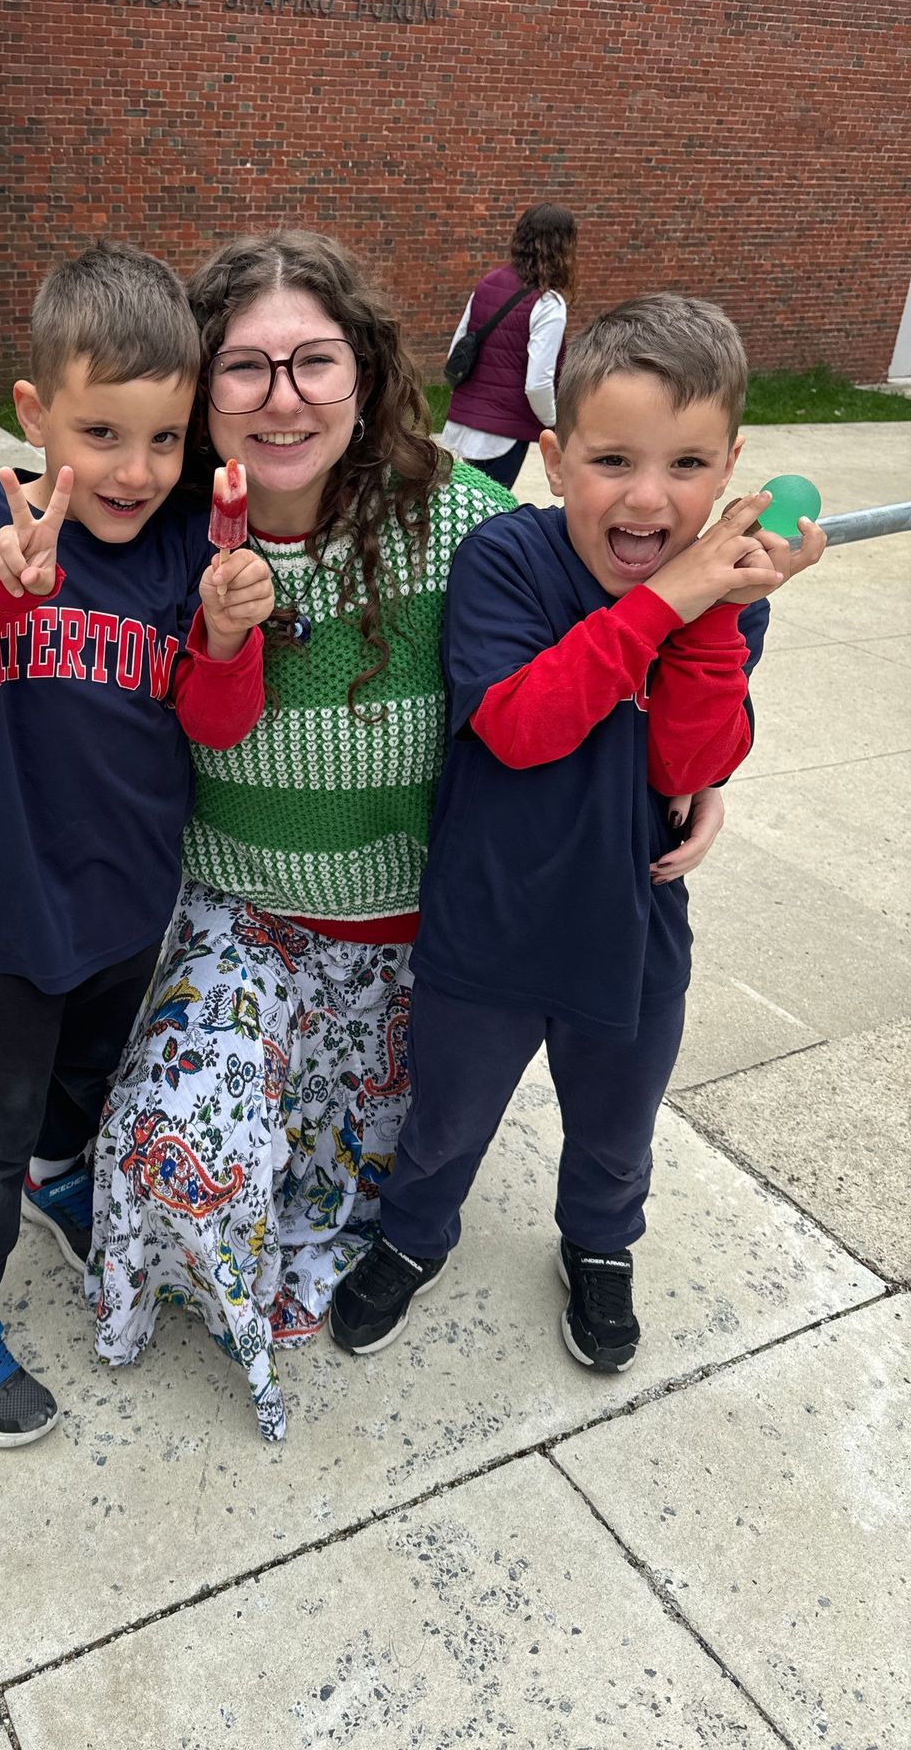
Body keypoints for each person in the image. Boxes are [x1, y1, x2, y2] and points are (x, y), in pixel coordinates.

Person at [330, 295, 827, 1371]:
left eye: (689, 466)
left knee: (615, 1135)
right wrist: (669, 604)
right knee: (445, 1125)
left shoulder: (729, 596)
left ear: (732, 466)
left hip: (631, 929)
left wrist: (712, 615)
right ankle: (415, 1239)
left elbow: (686, 764)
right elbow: (517, 726)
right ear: (555, 462)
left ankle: (600, 1249)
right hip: (487, 934)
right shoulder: (509, 562)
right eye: (613, 460)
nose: (649, 498)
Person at [87, 231, 522, 1442]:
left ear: (366, 375)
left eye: (315, 363)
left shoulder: (467, 525)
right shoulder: (158, 528)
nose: (283, 399)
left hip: (410, 940)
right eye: (244, 368)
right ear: (197, 388)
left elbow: (619, 598)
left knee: (353, 1198)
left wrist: (698, 772)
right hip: (242, 915)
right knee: (177, 1156)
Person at [0, 242, 275, 1449]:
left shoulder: (191, 542)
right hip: (10, 904)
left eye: (164, 438)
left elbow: (212, 724)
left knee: (84, 1081)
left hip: (130, 900)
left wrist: (226, 638)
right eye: (102, 434)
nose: (135, 471)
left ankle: (58, 1176)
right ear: (35, 414)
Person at [441, 202, 577, 489]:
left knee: (472, 508)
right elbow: (537, 384)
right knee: (492, 515)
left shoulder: (489, 282)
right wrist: (554, 422)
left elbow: (458, 350)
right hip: (502, 436)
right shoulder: (548, 304)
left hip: (466, 425)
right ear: (564, 246)